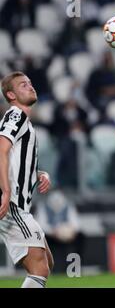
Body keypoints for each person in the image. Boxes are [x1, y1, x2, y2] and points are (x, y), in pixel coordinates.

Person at [0, 71, 53, 288]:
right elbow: (1, 150)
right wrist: (5, 191)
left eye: (30, 83)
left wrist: (39, 173)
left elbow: (15, 159)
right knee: (39, 268)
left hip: (18, 205)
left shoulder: (25, 123)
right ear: (11, 95)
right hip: (12, 203)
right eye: (23, 85)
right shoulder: (16, 115)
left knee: (47, 261)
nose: (30, 86)